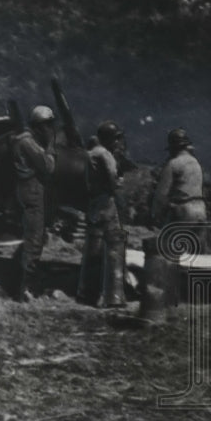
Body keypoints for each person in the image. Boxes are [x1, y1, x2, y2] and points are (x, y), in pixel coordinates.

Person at [11, 105, 57, 300]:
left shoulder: (23, 140)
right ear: (39, 125)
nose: (49, 129)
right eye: (47, 125)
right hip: (32, 192)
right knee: (34, 240)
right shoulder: (28, 143)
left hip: (29, 191)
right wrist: (51, 145)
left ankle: (26, 286)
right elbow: (48, 167)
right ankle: (25, 289)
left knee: (34, 238)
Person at [77, 120, 125, 306]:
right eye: (115, 139)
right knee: (113, 244)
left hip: (94, 203)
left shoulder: (90, 153)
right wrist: (119, 184)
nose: (117, 142)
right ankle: (113, 295)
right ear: (109, 139)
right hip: (106, 202)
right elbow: (113, 179)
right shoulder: (105, 154)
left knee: (92, 246)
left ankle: (86, 292)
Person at [151, 128, 207, 225]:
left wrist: (155, 215)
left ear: (173, 148)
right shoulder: (195, 163)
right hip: (201, 210)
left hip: (183, 211)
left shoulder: (173, 164)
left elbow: (161, 195)